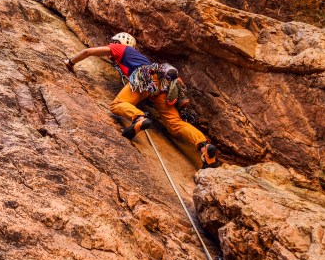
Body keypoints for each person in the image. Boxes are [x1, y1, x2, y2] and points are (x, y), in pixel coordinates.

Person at [65, 31, 218, 168]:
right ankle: (203, 147)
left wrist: (71, 62)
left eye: (113, 43)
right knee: (175, 124)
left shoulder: (120, 48)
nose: (110, 47)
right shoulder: (138, 57)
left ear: (119, 42)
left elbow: (88, 51)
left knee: (117, 104)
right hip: (161, 83)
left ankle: (139, 118)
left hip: (144, 77)